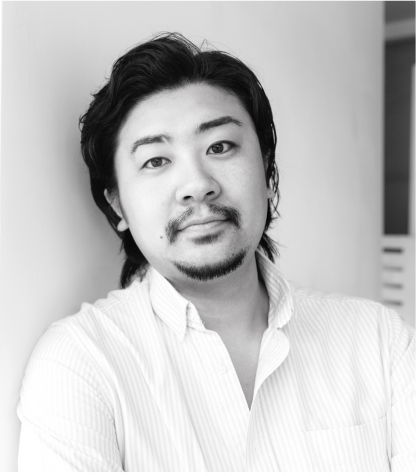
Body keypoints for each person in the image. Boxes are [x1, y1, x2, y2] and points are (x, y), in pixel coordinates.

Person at [17, 33, 415, 472]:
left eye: (219, 147)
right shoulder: (81, 365)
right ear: (118, 206)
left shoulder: (380, 342)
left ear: (267, 171)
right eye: (156, 160)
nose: (197, 185)